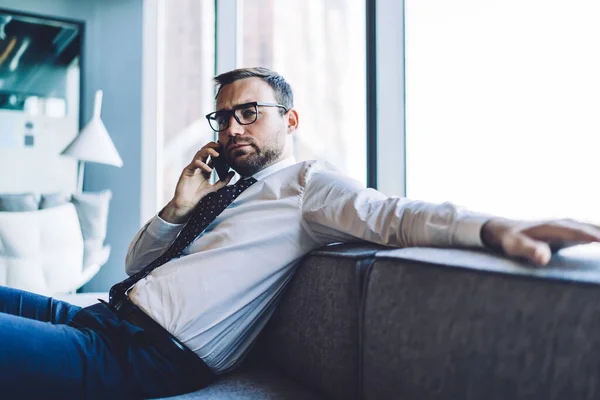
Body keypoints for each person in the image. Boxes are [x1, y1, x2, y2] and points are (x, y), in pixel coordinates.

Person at [1, 67, 598, 399]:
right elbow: (136, 262)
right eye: (224, 115)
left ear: (289, 119)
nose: (233, 126)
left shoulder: (308, 185)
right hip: (100, 316)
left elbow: (394, 214)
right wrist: (180, 205)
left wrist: (492, 228)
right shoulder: (219, 194)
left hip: (139, 355)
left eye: (249, 112)